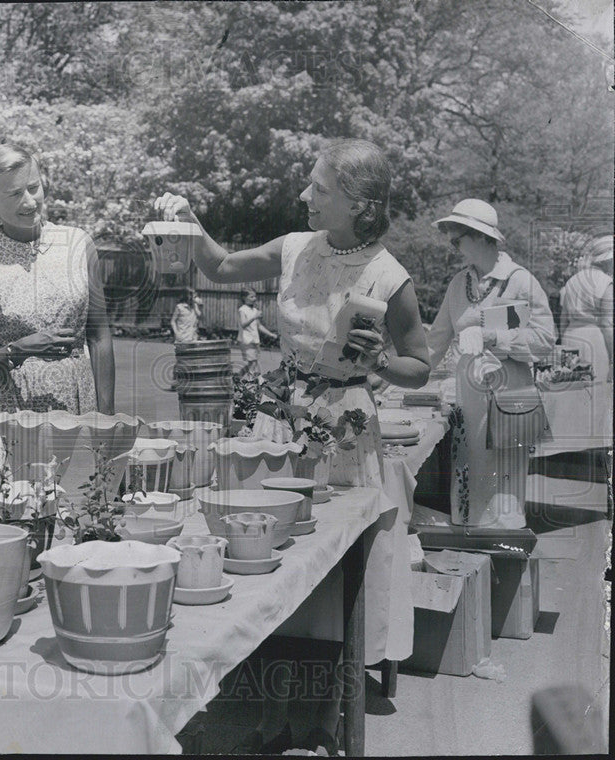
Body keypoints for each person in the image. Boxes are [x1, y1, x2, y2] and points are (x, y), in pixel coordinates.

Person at [155, 138, 430, 754]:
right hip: (283, 415)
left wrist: (380, 359)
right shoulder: (291, 248)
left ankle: (325, 704)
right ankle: (277, 693)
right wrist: (190, 224)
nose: (304, 196)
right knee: (276, 546)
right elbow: (220, 267)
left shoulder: (390, 276)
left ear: (359, 204)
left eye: (320, 189)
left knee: (339, 558)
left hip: (349, 426)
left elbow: (420, 365)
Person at [0, 143, 115, 418]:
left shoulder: (79, 245)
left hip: (80, 405)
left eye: (34, 187)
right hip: (10, 413)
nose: (30, 202)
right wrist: (17, 350)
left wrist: (107, 416)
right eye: (15, 194)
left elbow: (100, 338)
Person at [427, 199, 555, 529]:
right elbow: (435, 342)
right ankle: (472, 564)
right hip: (470, 404)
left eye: (458, 239)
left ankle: (503, 566)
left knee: (505, 500)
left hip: (511, 400)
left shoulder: (521, 281)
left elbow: (544, 341)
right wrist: (394, 372)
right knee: (471, 489)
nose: (453, 247)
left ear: (484, 237)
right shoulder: (458, 285)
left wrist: (494, 337)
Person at [560, 235, 613, 383]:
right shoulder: (607, 283)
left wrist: (563, 346)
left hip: (570, 337)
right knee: (598, 392)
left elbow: (563, 320)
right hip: (596, 340)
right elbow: (607, 324)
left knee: (573, 391)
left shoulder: (572, 281)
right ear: (609, 261)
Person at [237, 287, 277, 378]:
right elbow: (243, 324)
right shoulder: (242, 310)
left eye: (255, 297)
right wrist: (254, 317)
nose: (254, 299)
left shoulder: (254, 310)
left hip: (254, 340)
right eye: (251, 297)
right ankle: (250, 383)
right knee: (253, 363)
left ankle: (238, 377)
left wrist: (271, 334)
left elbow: (259, 326)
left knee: (253, 363)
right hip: (246, 340)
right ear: (244, 298)